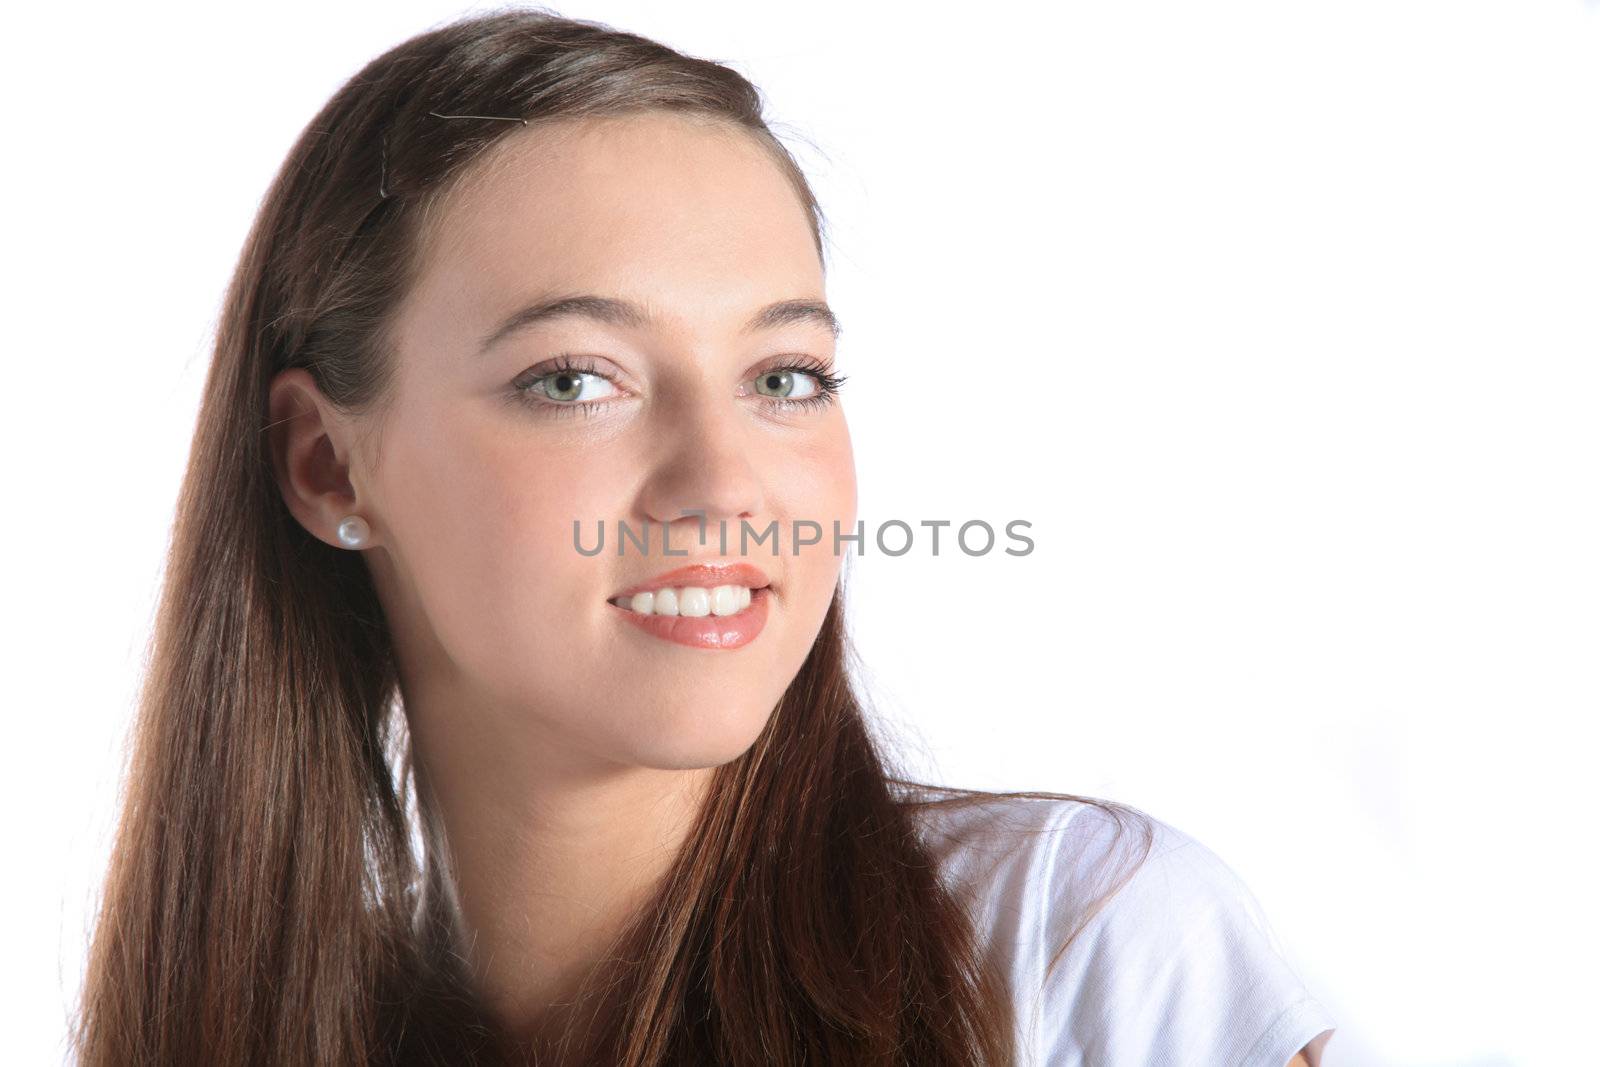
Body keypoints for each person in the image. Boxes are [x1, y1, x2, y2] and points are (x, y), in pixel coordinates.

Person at [72, 9, 1336, 1065]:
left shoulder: (1075, 947)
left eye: (785, 376)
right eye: (576, 379)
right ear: (325, 460)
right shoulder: (234, 1024)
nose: (723, 485)